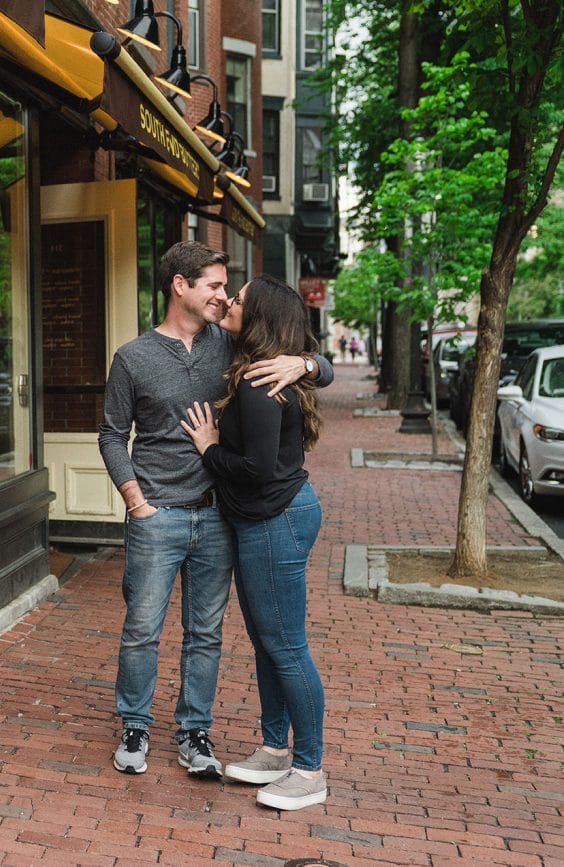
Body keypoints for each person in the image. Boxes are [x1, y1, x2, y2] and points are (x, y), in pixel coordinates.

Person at [98, 242, 332, 780]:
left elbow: (311, 361)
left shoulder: (229, 347)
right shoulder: (132, 358)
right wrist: (137, 503)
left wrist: (306, 362)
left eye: (228, 290)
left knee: (206, 632)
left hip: (220, 516)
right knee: (142, 629)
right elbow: (112, 436)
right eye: (215, 286)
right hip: (159, 515)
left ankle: (194, 731)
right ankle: (135, 724)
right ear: (180, 285)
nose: (224, 298)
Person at [180, 275, 328, 811]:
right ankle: (273, 748)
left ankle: (309, 769)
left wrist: (208, 447)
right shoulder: (262, 368)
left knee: (286, 647)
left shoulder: (256, 383)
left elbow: (256, 470)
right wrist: (310, 362)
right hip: (271, 520)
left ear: (259, 316)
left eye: (238, 298)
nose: (229, 302)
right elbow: (318, 365)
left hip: (275, 520)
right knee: (271, 642)